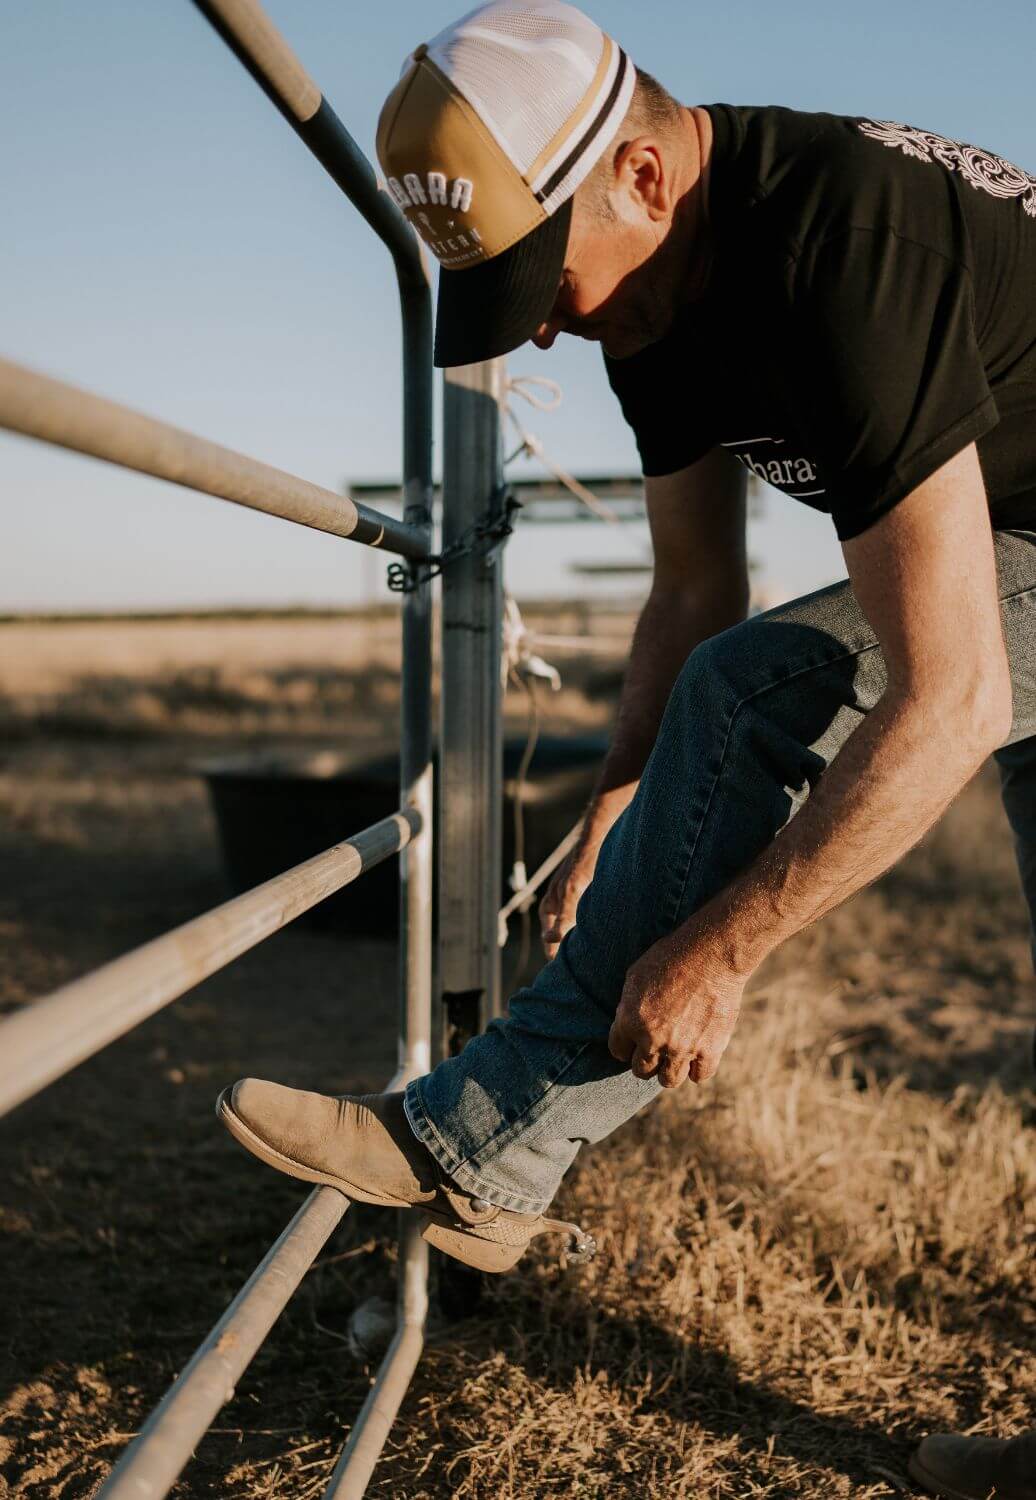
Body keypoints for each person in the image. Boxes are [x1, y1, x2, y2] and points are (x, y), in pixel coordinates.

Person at [217, 4, 1036, 1493]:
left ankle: (480, 1147)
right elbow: (688, 587)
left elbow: (955, 696)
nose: (542, 323)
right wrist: (617, 809)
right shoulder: (653, 299)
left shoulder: (842, 248)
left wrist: (723, 947)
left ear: (645, 175)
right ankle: (488, 1152)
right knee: (723, 682)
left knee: (750, 690)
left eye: (549, 279)